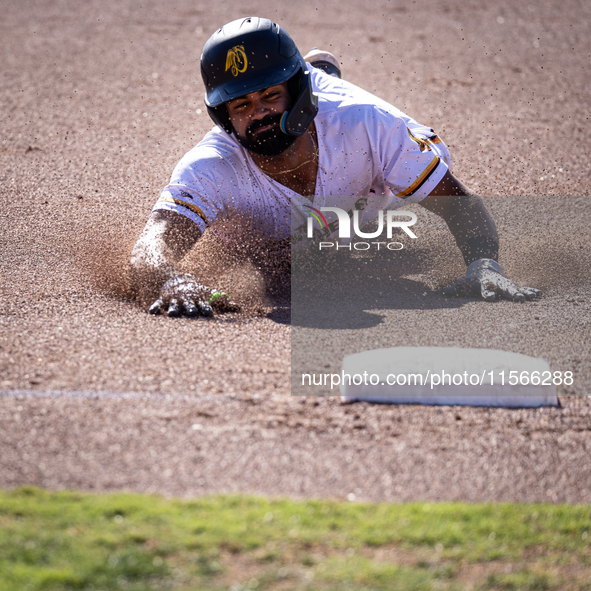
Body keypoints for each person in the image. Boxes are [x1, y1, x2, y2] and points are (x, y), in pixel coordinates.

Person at [130, 16, 540, 317]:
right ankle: (318, 72)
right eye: (242, 105)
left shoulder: (370, 127)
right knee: (283, 270)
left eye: (271, 96)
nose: (259, 114)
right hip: (284, 225)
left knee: (328, 250)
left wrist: (484, 264)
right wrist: (170, 278)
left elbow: (458, 205)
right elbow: (148, 251)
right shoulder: (211, 166)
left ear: (296, 92)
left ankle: (322, 75)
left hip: (370, 195)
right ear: (223, 116)